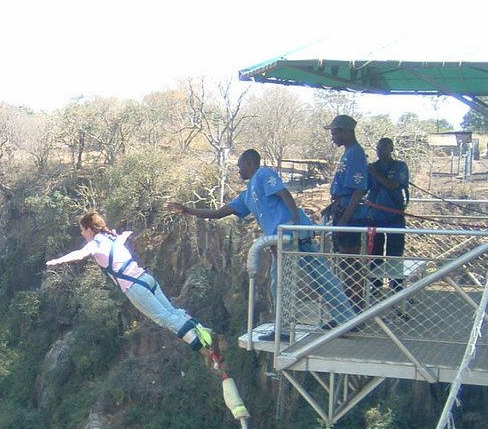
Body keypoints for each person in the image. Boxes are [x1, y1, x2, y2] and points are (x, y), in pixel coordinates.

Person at [168, 150, 356, 339]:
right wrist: (187, 210)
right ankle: (342, 320)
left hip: (293, 235)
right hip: (282, 241)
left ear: (250, 163)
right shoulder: (246, 195)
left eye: (240, 165)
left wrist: (294, 221)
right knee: (299, 280)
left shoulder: (264, 174)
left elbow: (284, 194)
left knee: (302, 280)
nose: (238, 169)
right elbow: (219, 213)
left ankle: (304, 327)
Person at [45, 212, 214, 352]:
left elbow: (80, 254)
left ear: (89, 229)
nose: (82, 234)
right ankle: (199, 328)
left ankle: (196, 342)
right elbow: (121, 240)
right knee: (171, 310)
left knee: (163, 318)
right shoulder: (110, 238)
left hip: (134, 287)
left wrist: (58, 261)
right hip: (146, 279)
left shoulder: (96, 243)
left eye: (83, 230)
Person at [323, 114, 370, 308]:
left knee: (350, 261)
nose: (332, 137)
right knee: (345, 261)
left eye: (334, 132)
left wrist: (345, 219)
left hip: (350, 215)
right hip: (342, 209)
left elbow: (359, 189)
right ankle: (349, 307)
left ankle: (354, 307)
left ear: (345, 131)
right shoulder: (348, 152)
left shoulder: (356, 154)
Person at [366, 137, 409, 294]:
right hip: (375, 216)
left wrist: (375, 173)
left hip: (394, 216)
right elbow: (364, 188)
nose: (380, 151)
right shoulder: (372, 167)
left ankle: (396, 286)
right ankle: (376, 285)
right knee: (375, 251)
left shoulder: (399, 166)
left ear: (391, 149)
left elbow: (394, 184)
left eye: (384, 148)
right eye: (378, 148)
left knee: (395, 253)